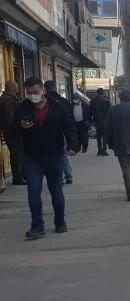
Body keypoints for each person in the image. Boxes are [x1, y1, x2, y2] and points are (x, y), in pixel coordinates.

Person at [11, 76, 77, 239]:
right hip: (32, 157)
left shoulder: (58, 107)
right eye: (29, 92)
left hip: (54, 155)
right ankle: (37, 226)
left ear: (43, 90)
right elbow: (14, 132)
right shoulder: (23, 108)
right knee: (33, 191)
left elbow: (69, 127)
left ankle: (60, 222)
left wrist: (72, 146)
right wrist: (22, 127)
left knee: (56, 191)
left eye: (35, 92)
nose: (32, 95)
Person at [44, 81, 75, 184]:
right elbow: (70, 119)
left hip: (47, 133)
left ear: (45, 89)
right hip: (62, 132)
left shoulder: (43, 101)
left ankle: (60, 177)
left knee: (53, 156)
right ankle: (68, 175)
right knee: (63, 154)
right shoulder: (63, 101)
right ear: (55, 88)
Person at [0, 80, 25, 185]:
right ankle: (18, 178)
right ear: (12, 88)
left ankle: (20, 176)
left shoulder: (7, 98)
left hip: (11, 131)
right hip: (12, 132)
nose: (18, 88)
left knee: (18, 153)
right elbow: (10, 117)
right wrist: (19, 124)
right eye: (16, 86)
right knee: (16, 154)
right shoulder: (7, 100)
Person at [90, 88, 111, 156]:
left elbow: (90, 111)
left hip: (97, 121)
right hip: (105, 121)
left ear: (97, 93)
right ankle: (104, 150)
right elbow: (109, 111)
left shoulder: (93, 101)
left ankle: (99, 150)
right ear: (103, 93)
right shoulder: (106, 101)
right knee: (104, 136)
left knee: (98, 136)